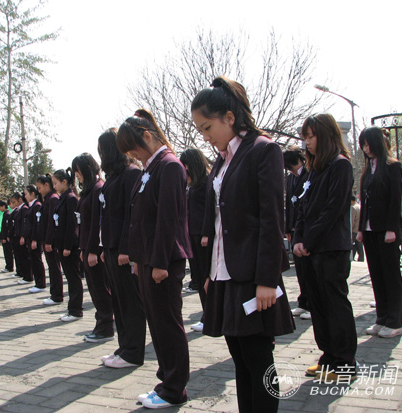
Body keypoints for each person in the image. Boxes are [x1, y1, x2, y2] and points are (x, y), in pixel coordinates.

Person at [192, 77, 294, 412]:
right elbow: (221, 223)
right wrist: (211, 272)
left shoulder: (263, 150)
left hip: (252, 275)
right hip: (225, 273)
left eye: (208, 127)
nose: (205, 136)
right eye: (201, 130)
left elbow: (270, 220)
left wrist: (267, 279)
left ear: (229, 118)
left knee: (258, 358)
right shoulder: (224, 159)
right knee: (239, 358)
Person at [117, 108, 192, 409]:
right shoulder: (150, 168)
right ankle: (165, 381)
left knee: (168, 324)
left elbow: (168, 220)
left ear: (147, 136)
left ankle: (175, 389)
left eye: (133, 148)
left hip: (163, 260)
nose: (133, 156)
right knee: (157, 324)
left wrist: (159, 262)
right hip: (147, 260)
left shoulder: (170, 166)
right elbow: (139, 219)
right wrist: (138, 258)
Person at [293, 113, 357, 383]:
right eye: (305, 137)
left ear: (327, 135)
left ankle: (345, 362)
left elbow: (332, 210)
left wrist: (309, 241)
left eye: (311, 136)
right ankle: (328, 357)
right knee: (318, 305)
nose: (307, 142)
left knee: (334, 304)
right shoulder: (314, 169)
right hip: (310, 250)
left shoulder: (340, 166)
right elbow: (304, 208)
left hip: (330, 249)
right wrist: (297, 239)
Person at [97, 128, 146, 368]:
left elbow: (132, 213)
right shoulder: (114, 177)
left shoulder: (131, 173)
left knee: (130, 302)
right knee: (118, 300)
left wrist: (127, 249)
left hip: (124, 251)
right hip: (111, 247)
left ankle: (134, 352)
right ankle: (124, 346)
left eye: (101, 149)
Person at [356, 126, 402, 338]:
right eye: (363, 145)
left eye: (368, 144)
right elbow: (364, 202)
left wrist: (391, 228)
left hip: (386, 231)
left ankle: (394, 321)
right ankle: (381, 318)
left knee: (390, 276)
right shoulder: (367, 169)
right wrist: (360, 230)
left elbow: (395, 200)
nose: (366, 149)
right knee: (376, 275)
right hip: (369, 230)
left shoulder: (392, 166)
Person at [72, 153, 115, 343]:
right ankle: (102, 323)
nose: (77, 175)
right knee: (95, 289)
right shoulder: (89, 191)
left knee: (100, 289)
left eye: (78, 170)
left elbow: (98, 224)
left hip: (94, 250)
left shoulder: (99, 189)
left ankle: (105, 326)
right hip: (86, 247)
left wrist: (92, 251)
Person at [179, 148, 209, 332]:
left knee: (206, 276)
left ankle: (210, 316)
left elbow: (210, 212)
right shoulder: (192, 185)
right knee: (198, 276)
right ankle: (208, 314)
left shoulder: (206, 183)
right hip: (192, 236)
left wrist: (206, 233)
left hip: (203, 237)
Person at [49, 168, 83, 321]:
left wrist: (68, 247)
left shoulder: (70, 198)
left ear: (64, 182)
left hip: (69, 247)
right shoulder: (63, 198)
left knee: (74, 279)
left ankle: (76, 310)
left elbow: (71, 225)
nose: (54, 187)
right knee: (70, 278)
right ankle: (72, 308)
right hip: (61, 245)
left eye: (56, 183)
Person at [283, 145, 311, 321]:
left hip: (306, 228)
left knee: (309, 269)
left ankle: (313, 304)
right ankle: (303, 301)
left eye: (293, 167)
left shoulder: (309, 174)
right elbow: (288, 203)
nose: (292, 171)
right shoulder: (289, 178)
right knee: (300, 269)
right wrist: (288, 228)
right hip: (294, 227)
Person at [37, 174, 64, 306]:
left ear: (46, 185)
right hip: (47, 240)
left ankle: (57, 295)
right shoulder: (47, 199)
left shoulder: (52, 199)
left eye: (40, 187)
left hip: (51, 241)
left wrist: (48, 241)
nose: (39, 190)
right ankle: (54, 293)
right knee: (52, 268)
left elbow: (51, 223)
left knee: (54, 268)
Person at [13, 192, 33, 285]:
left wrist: (23, 236)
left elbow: (25, 224)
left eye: (14, 201)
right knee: (20, 256)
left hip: (23, 237)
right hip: (17, 236)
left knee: (25, 257)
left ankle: (28, 276)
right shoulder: (19, 210)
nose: (13, 204)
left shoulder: (24, 209)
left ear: (19, 200)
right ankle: (23, 274)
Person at [0, 200, 14, 273]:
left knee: (8, 252)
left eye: (0, 207)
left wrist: (5, 237)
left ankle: (9, 266)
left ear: (4, 206)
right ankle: (8, 265)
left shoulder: (7, 214)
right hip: (4, 237)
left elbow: (7, 227)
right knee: (6, 252)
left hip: (6, 238)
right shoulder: (5, 214)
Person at [351, 195, 365, 262]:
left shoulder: (353, 208)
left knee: (352, 244)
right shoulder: (359, 206)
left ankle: (352, 257)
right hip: (359, 229)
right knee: (359, 245)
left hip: (354, 230)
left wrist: (350, 228)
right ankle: (361, 258)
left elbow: (352, 220)